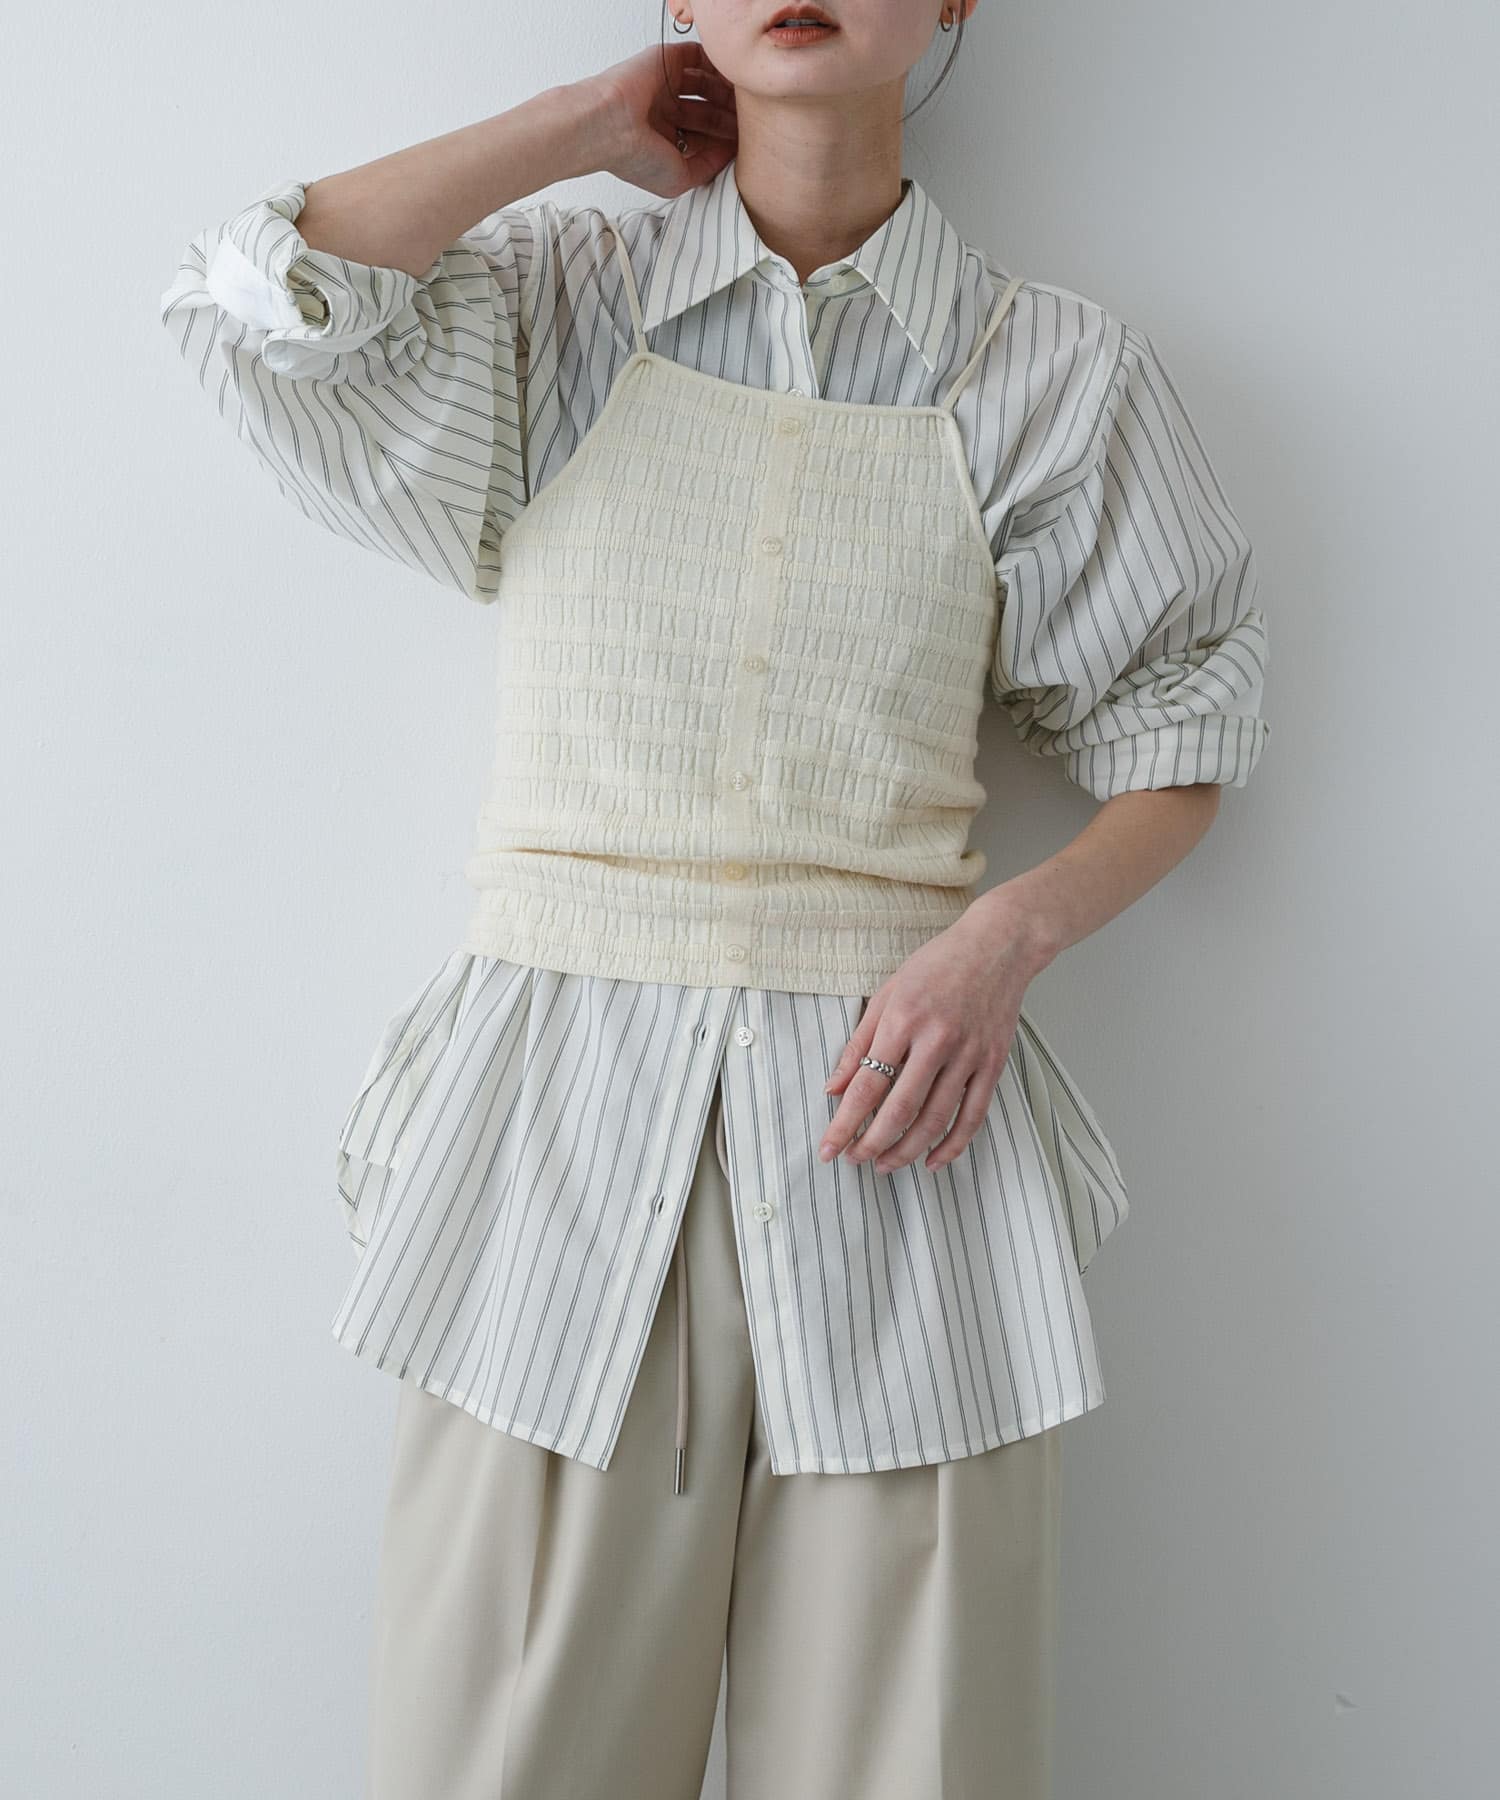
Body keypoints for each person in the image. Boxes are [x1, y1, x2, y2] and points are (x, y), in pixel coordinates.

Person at [158, 4, 1270, 1795]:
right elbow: (256, 301)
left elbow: (1184, 727)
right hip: (555, 1143)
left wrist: (1005, 938)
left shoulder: (1053, 373)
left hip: (902, 1139)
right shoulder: (554, 302)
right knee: (505, 1760)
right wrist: (586, 120)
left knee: (909, 1763)